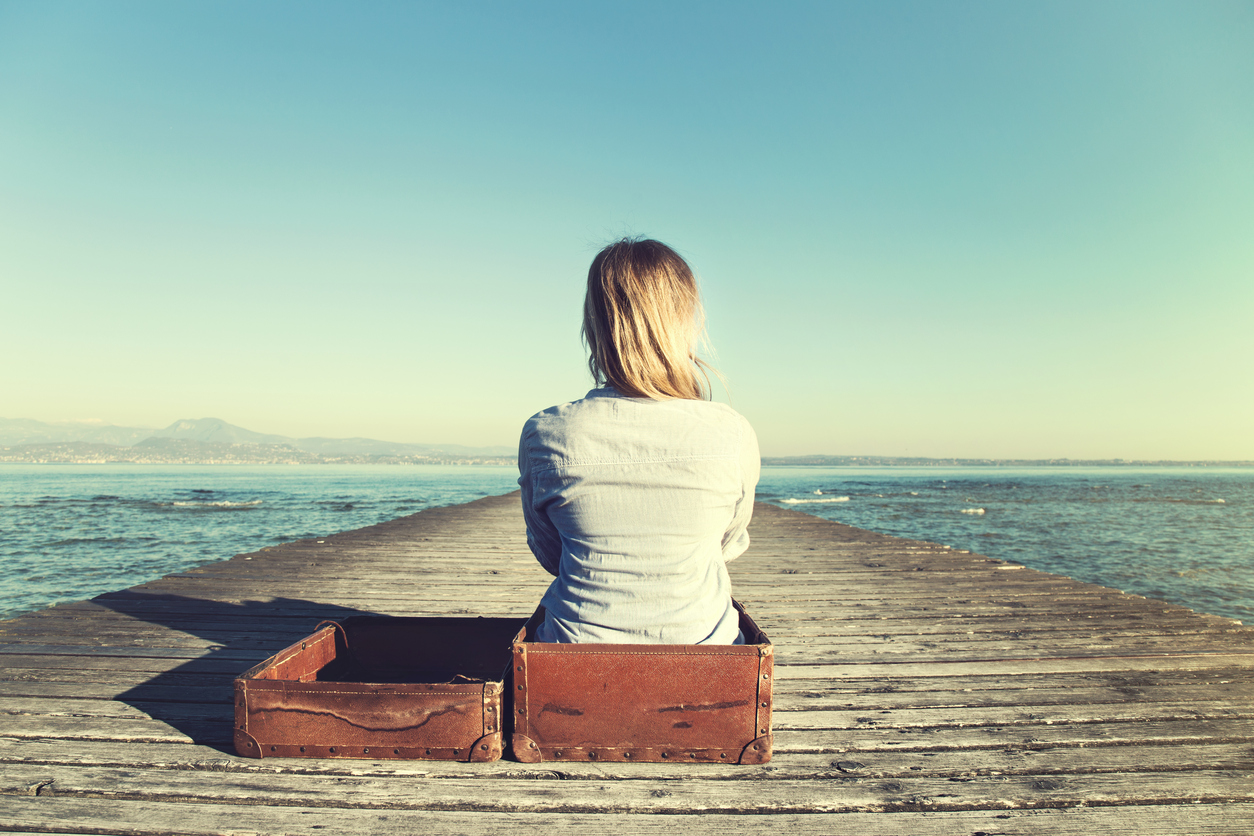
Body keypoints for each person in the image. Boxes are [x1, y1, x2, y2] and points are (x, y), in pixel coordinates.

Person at [517, 238, 760, 644]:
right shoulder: (731, 432)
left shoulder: (545, 432)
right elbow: (727, 543)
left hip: (571, 662)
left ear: (595, 325)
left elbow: (549, 553)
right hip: (707, 658)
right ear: (686, 321)